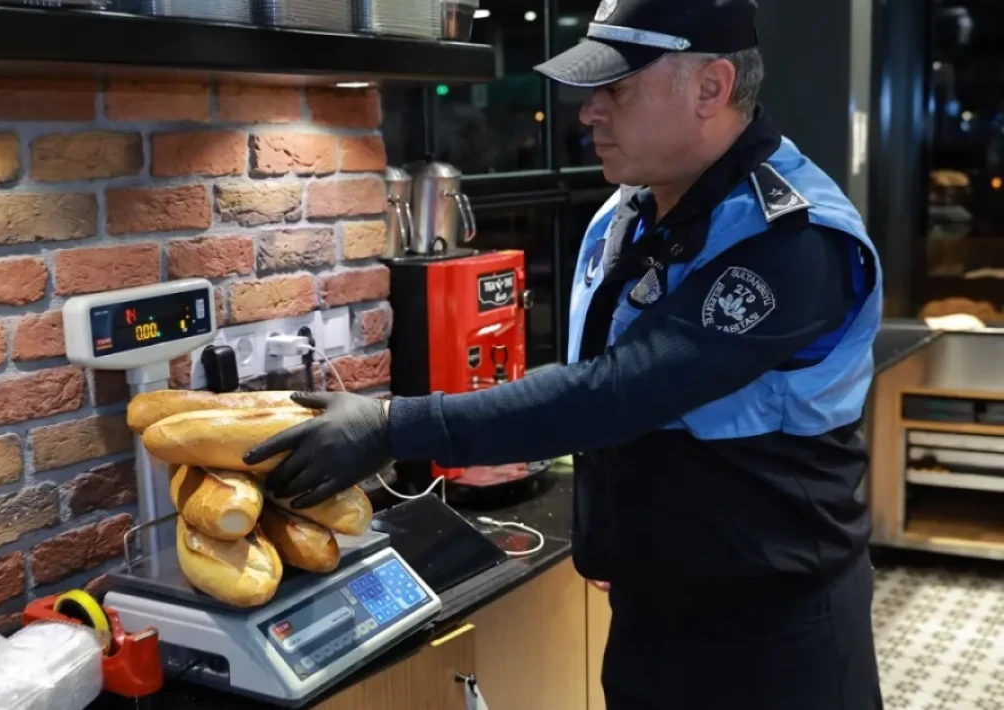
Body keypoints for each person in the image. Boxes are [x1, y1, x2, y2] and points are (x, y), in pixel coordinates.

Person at [246, 0, 885, 707]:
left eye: (617, 89)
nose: (587, 114)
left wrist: (391, 426)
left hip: (775, 630)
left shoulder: (794, 241)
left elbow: (616, 392)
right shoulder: (632, 210)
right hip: (654, 612)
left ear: (712, 87)